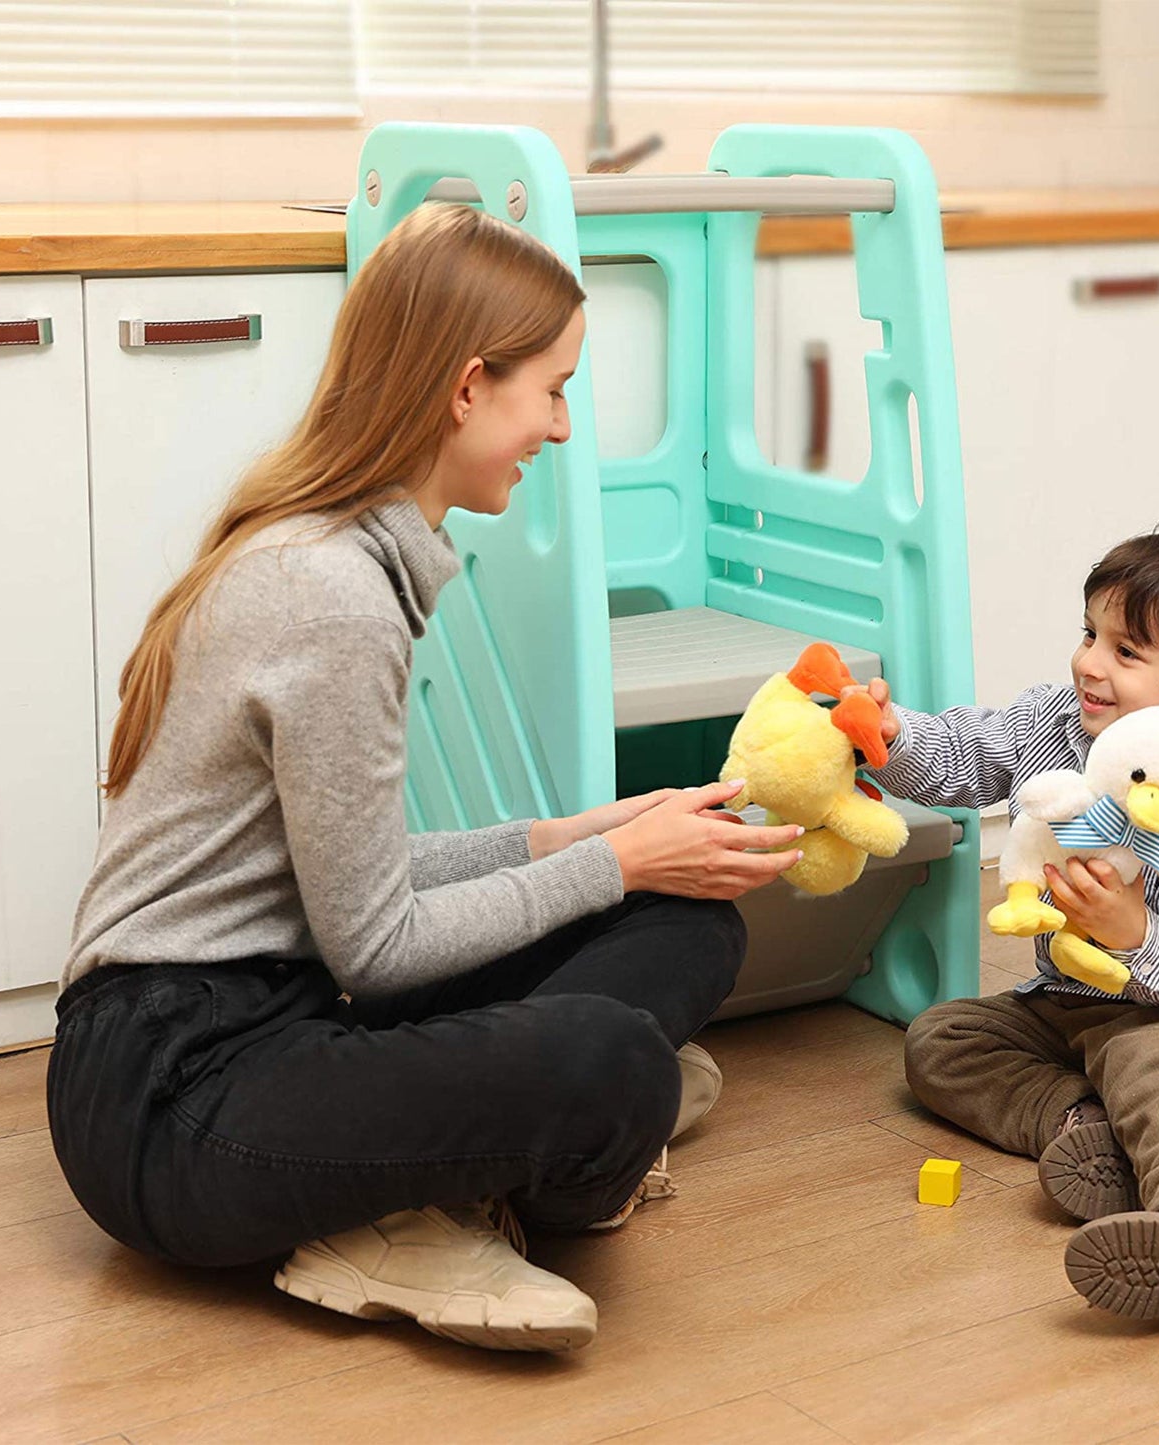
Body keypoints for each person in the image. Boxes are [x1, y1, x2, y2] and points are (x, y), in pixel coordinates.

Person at [46, 203, 806, 1355]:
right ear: (465, 388)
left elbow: (350, 883)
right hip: (170, 1089)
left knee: (687, 920)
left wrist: (576, 837)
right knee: (612, 1060)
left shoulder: (339, 553)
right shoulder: (333, 593)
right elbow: (380, 948)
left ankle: (456, 1170)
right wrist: (611, 859)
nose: (558, 425)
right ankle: (438, 1195)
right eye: (549, 389)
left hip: (286, 999)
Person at [855, 528, 1159, 1334]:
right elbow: (965, 754)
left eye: (1125, 649)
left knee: (1152, 1053)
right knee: (940, 1039)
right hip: (1073, 995)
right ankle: (1084, 1125)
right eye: (1088, 633)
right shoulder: (1054, 721)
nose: (1087, 663)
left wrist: (1133, 930)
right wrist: (893, 737)